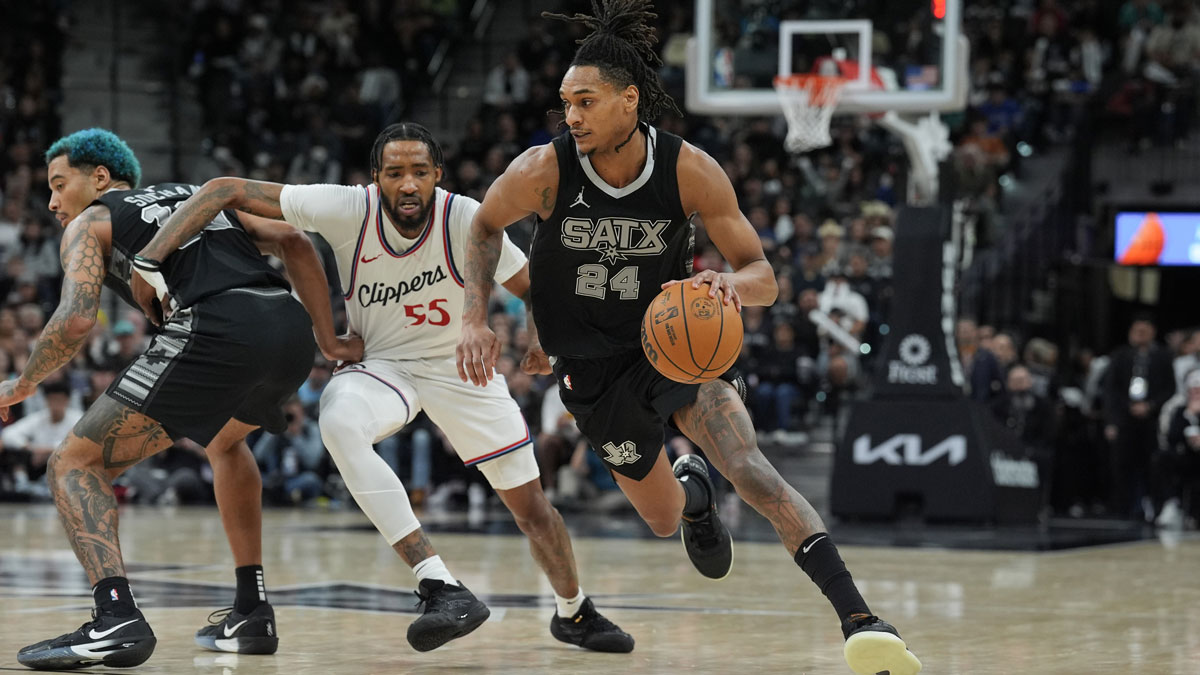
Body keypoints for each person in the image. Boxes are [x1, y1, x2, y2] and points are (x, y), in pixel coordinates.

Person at [454, 3, 921, 674]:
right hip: (590, 367)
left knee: (753, 470)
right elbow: (482, 226)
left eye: (585, 101)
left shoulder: (688, 170)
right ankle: (695, 495)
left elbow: (765, 276)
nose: (572, 116)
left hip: (671, 343)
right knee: (664, 520)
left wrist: (733, 285)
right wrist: (476, 316)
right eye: (566, 103)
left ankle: (861, 618)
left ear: (628, 100)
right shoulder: (543, 170)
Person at [132, 122, 633, 654]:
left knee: (533, 509)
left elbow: (533, 288)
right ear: (376, 179)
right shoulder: (349, 208)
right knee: (339, 419)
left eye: (420, 172)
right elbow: (222, 190)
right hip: (385, 365)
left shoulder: (465, 215)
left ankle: (573, 611)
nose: (409, 184)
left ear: (437, 175)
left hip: (459, 370)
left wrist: (539, 340)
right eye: (395, 173)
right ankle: (438, 584)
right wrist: (149, 259)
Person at [2, 128, 357, 669]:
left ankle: (114, 616)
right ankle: (252, 609)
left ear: (100, 178)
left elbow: (76, 319)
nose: (51, 201)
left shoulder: (92, 220)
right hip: (287, 329)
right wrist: (328, 339)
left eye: (58, 184)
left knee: (75, 462)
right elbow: (295, 242)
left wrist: (23, 382)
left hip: (217, 325)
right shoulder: (197, 198)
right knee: (225, 442)